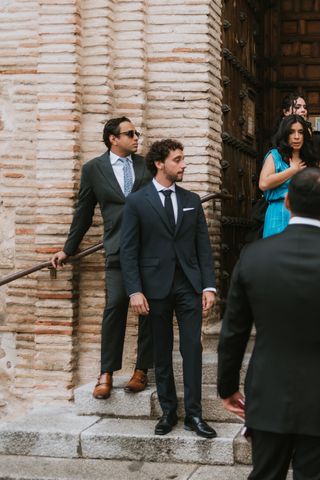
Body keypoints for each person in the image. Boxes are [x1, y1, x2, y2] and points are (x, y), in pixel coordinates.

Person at [217, 168, 320, 480]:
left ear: (288, 202)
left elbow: (234, 331)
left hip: (268, 393)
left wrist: (227, 386)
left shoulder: (253, 256)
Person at [49, 117, 153, 400]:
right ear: (112, 138)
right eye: (130, 134)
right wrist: (67, 249)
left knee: (149, 309)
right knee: (115, 305)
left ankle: (141, 370)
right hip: (118, 250)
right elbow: (84, 212)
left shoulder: (146, 164)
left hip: (151, 250)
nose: (136, 138)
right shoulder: (94, 169)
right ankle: (106, 372)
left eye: (136, 133)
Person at [120, 139, 217, 438]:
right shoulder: (137, 201)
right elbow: (128, 250)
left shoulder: (191, 199)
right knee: (161, 351)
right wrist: (134, 290)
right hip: (153, 288)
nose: (183, 164)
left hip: (188, 285)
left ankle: (194, 415)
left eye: (183, 159)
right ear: (160, 164)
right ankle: (168, 412)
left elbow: (203, 246)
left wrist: (209, 286)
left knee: (192, 348)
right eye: (178, 159)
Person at [259, 114, 318, 238]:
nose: (296, 137)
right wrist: (293, 170)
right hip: (279, 213)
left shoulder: (308, 159)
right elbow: (264, 183)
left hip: (305, 214)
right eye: (291, 132)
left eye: (300, 132)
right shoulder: (275, 156)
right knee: (276, 254)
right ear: (285, 134)